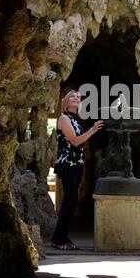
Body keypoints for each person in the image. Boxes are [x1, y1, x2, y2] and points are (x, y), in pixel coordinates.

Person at [51, 90, 103, 250]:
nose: (76, 98)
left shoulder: (74, 119)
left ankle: (62, 237)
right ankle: (58, 239)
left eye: (78, 98)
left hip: (76, 164)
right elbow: (74, 141)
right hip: (68, 164)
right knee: (71, 200)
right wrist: (92, 130)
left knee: (70, 201)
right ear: (66, 101)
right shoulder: (64, 118)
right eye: (72, 96)